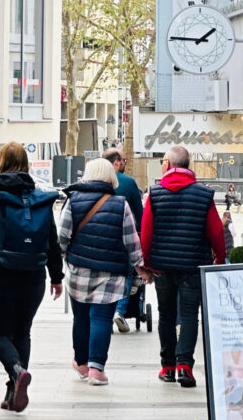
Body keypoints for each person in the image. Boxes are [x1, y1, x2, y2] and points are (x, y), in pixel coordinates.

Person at [0, 142, 64, 412]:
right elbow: (51, 240)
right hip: (33, 277)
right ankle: (12, 391)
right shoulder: (38, 196)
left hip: (0, 275)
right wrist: (56, 277)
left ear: (2, 162)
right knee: (22, 332)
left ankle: (17, 372)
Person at [59, 158, 152, 386]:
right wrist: (140, 267)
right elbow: (131, 241)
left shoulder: (73, 200)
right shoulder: (121, 204)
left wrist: (63, 258)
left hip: (79, 271)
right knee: (101, 318)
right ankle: (96, 370)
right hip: (111, 273)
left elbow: (62, 236)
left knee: (81, 317)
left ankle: (81, 363)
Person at [142, 146, 225, 388]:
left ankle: (167, 367)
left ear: (168, 164)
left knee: (166, 315)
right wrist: (220, 259)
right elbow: (216, 232)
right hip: (193, 265)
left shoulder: (155, 194)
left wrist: (147, 264)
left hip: (163, 267)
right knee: (189, 315)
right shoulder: (203, 195)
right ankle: (184, 366)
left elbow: (146, 233)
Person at [102, 148, 144, 333]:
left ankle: (104, 311)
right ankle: (119, 311)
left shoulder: (93, 181)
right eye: (124, 161)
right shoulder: (128, 182)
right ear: (116, 162)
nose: (125, 164)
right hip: (123, 236)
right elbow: (139, 213)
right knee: (125, 274)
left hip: (99, 238)